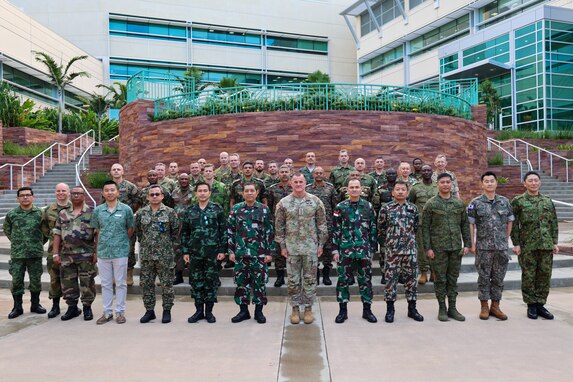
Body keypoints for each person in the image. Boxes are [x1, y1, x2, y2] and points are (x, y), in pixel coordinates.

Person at [275, 173, 328, 325]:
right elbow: (279, 226)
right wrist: (283, 246)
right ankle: (295, 308)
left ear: (306, 183)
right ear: (291, 184)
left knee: (310, 279)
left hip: (311, 247)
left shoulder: (315, 201)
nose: (298, 184)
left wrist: (321, 244)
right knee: (293, 280)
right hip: (292, 248)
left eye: (301, 182)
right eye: (295, 182)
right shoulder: (284, 203)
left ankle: (309, 308)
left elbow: (322, 224)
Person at [511, 171, 559, 320]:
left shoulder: (547, 201)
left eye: (536, 180)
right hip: (527, 245)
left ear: (540, 182)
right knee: (529, 275)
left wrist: (555, 242)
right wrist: (516, 243)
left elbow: (553, 222)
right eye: (530, 181)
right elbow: (513, 225)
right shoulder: (518, 201)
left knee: (545, 274)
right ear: (524, 183)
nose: (533, 183)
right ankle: (531, 305)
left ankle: (540, 304)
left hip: (546, 244)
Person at [422, 173, 470, 322]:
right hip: (438, 248)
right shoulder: (431, 204)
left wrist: (467, 244)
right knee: (440, 279)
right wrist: (428, 248)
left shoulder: (459, 204)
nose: (445, 185)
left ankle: (453, 308)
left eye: (448, 182)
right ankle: (442, 308)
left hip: (455, 247)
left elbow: (465, 225)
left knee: (453, 279)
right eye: (442, 182)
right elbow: (425, 228)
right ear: (437, 184)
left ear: (452, 184)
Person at [468, 172, 514, 320]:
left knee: (498, 278)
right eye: (486, 181)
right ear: (482, 184)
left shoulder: (505, 202)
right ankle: (484, 306)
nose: (489, 183)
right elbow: (471, 224)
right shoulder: (475, 203)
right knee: (483, 277)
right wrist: (472, 243)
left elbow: (509, 221)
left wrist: (505, 239)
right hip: (483, 247)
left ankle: (495, 306)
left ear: (496, 183)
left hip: (501, 247)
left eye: (492, 181)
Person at [332, 179, 377, 324]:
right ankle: (342, 311)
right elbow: (336, 229)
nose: (354, 189)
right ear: (347, 190)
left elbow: (373, 229)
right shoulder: (340, 207)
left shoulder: (368, 206)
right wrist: (335, 250)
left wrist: (372, 249)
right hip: (345, 250)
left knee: (366, 281)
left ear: (361, 189)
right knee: (343, 281)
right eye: (352, 187)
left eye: (357, 187)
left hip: (363, 250)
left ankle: (367, 310)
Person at [228, 183, 275, 324]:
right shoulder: (236, 209)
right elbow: (230, 230)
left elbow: (269, 232)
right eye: (246, 191)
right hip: (241, 254)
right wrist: (231, 251)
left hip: (259, 254)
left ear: (257, 192)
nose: (249, 193)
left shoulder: (264, 209)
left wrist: (269, 252)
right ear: (242, 193)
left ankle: (259, 312)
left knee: (259, 283)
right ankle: (243, 311)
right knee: (241, 283)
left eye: (252, 191)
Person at [181, 182, 227, 324]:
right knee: (196, 282)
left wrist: (222, 250)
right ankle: (199, 311)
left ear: (209, 193)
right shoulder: (190, 211)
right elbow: (185, 233)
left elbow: (223, 231)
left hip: (212, 253)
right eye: (199, 191)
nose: (202, 193)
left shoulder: (217, 209)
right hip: (195, 253)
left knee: (210, 281)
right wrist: (185, 251)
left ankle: (209, 312)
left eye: (205, 191)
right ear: (195, 193)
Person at [378, 181, 424, 323]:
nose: (400, 192)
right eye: (397, 189)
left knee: (411, 281)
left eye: (403, 189)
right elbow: (381, 228)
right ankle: (390, 310)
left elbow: (415, 227)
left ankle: (412, 309)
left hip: (409, 251)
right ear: (392, 193)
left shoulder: (413, 209)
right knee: (390, 282)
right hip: (392, 252)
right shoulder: (386, 208)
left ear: (407, 192)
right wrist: (390, 243)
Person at [92, 180, 135, 324]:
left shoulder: (126, 210)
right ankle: (107, 312)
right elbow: (97, 230)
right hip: (103, 252)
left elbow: (130, 229)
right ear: (103, 193)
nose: (110, 193)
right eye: (107, 190)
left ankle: (120, 312)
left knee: (121, 283)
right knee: (105, 283)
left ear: (117, 192)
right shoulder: (98, 211)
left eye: (112, 190)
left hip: (120, 251)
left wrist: (120, 240)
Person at [52, 186, 98, 321]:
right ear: (70, 196)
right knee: (68, 283)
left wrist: (96, 252)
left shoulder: (92, 212)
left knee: (87, 282)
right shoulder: (63, 213)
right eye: (73, 194)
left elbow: (97, 234)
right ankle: (72, 308)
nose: (76, 196)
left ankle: (87, 308)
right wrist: (55, 253)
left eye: (79, 193)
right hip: (66, 255)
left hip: (86, 255)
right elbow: (57, 234)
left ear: (84, 195)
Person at [136, 185, 180, 324]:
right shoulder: (142, 213)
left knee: (167, 284)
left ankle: (167, 311)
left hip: (165, 255)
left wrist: (166, 246)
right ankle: (149, 311)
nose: (154, 196)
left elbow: (175, 232)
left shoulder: (170, 212)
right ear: (148, 197)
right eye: (152, 194)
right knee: (146, 284)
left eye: (157, 194)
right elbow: (139, 232)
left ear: (162, 196)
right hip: (147, 255)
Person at [3, 187, 47, 319]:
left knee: (35, 280)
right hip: (18, 254)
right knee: (16, 281)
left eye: (28, 195)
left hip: (35, 253)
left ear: (33, 197)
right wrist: (17, 242)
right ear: (18, 199)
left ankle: (35, 305)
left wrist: (38, 243)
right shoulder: (12, 214)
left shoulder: (40, 213)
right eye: (22, 195)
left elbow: (46, 232)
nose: (25, 197)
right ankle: (17, 307)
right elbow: (7, 229)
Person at [41, 182, 71, 318]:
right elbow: (44, 228)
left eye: (63, 191)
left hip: (72, 251)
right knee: (54, 279)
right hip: (55, 250)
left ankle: (72, 306)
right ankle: (55, 306)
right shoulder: (48, 210)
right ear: (55, 193)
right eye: (58, 191)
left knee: (71, 279)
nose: (61, 193)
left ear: (68, 192)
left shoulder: (75, 208)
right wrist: (54, 239)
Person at [306, 166, 337, 286]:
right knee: (313, 251)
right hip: (312, 225)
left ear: (324, 174)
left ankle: (326, 275)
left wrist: (334, 221)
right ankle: (316, 275)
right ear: (313, 175)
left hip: (327, 224)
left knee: (327, 251)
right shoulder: (308, 189)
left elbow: (335, 206)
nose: (318, 174)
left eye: (321, 173)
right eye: (316, 173)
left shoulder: (330, 188)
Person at [110, 163, 140, 286]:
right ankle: (114, 274)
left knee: (129, 248)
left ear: (122, 172)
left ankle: (129, 273)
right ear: (111, 172)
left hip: (127, 223)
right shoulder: (108, 187)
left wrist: (128, 212)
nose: (116, 171)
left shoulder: (130, 186)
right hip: (111, 223)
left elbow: (137, 200)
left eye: (118, 169)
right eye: (114, 169)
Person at [408, 164, 438, 285]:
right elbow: (410, 203)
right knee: (421, 248)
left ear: (432, 172)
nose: (426, 172)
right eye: (424, 170)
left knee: (435, 247)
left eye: (428, 170)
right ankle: (424, 272)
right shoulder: (415, 188)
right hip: (421, 222)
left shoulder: (437, 185)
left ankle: (434, 271)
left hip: (436, 222)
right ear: (421, 173)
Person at [266, 165, 293, 288]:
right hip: (278, 225)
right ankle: (280, 277)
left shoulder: (296, 187)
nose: (284, 174)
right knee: (278, 252)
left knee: (293, 252)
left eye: (286, 172)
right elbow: (270, 207)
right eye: (281, 172)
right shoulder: (272, 189)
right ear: (278, 173)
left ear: (290, 173)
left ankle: (293, 277)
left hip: (294, 225)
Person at [172, 173, 193, 285]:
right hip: (177, 226)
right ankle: (178, 275)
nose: (184, 180)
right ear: (178, 180)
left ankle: (191, 275)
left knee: (191, 249)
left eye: (186, 179)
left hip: (190, 225)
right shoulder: (174, 192)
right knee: (177, 250)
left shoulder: (194, 191)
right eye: (182, 179)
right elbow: (171, 206)